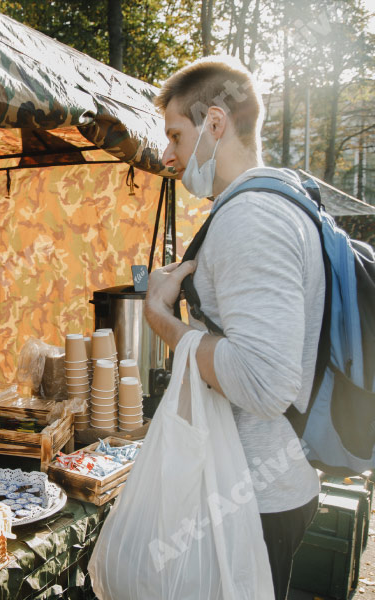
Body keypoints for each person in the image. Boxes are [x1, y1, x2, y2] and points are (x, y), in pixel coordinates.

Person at [144, 56, 322, 598]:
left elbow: (264, 384)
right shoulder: (279, 203)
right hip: (260, 483)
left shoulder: (252, 219)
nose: (167, 153)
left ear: (215, 123)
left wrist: (163, 320)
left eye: (176, 133)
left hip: (253, 494)